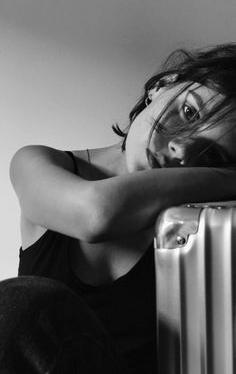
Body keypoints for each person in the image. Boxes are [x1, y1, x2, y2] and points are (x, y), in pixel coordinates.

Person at [6, 43, 236, 373]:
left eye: (212, 156)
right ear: (162, 85)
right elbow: (97, 214)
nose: (182, 149)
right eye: (189, 112)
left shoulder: (208, 219)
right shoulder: (37, 162)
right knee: (20, 305)